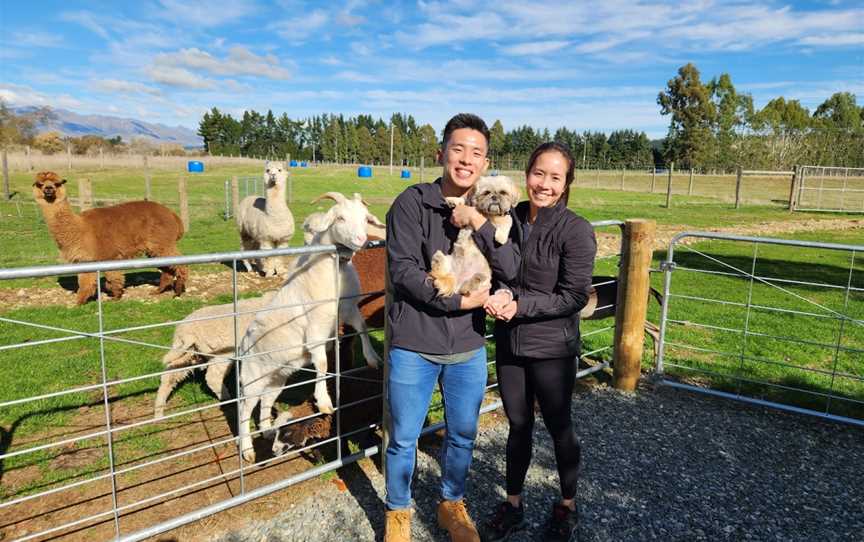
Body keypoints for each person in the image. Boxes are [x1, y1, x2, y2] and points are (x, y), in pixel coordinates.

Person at [451, 142, 596, 541]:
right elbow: (497, 265)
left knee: (559, 426)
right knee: (518, 425)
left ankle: (566, 504)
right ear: (526, 175)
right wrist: (497, 295)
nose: (544, 184)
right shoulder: (510, 218)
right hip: (512, 342)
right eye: (538, 174)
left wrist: (519, 303)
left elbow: (574, 296)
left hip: (552, 346)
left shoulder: (576, 230)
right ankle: (513, 503)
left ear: (566, 183)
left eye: (555, 177)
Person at [384, 113, 492, 542]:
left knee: (463, 434)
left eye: (476, 153)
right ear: (442, 153)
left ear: (485, 163)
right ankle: (397, 513)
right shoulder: (412, 203)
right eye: (459, 149)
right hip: (416, 342)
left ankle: (451, 504)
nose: (466, 159)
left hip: (468, 344)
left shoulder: (491, 214)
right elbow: (405, 272)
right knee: (403, 436)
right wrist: (456, 300)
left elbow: (507, 265)